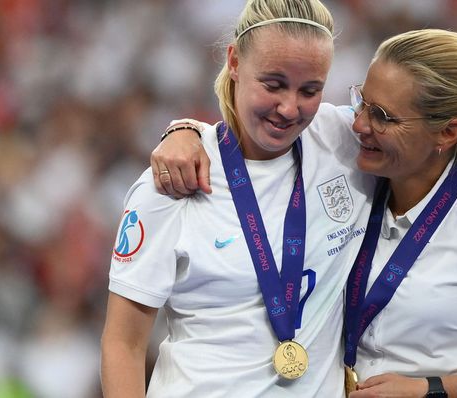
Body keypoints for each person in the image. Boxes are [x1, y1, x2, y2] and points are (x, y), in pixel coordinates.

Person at [153, 28, 457, 398]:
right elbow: (248, 129)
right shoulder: (358, 165)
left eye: (383, 116)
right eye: (362, 102)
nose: (359, 125)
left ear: (447, 133)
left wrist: (430, 391)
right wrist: (184, 130)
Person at [101, 1, 377, 396]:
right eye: (273, 84)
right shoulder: (173, 182)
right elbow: (123, 344)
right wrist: (185, 129)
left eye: (310, 90)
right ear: (234, 61)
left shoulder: (346, 143)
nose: (289, 108)